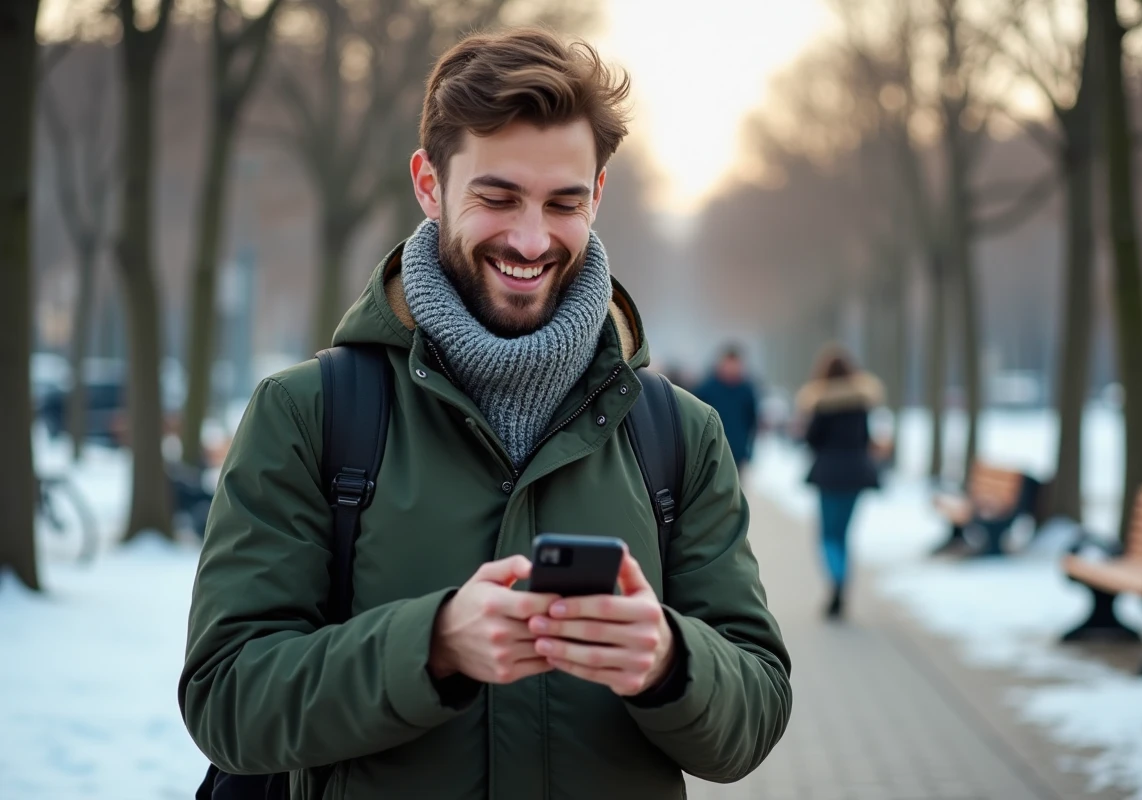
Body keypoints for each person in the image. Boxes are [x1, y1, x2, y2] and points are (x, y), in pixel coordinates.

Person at [179, 27, 791, 800]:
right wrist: (430, 647)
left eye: (563, 203)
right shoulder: (307, 415)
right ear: (429, 184)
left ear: (598, 196)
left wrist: (673, 662)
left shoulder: (682, 436)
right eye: (496, 197)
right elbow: (227, 700)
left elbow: (759, 713)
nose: (531, 240)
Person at [796, 344, 884, 620]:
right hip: (856, 474)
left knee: (827, 535)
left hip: (828, 475)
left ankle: (835, 582)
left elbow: (811, 439)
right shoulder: (861, 402)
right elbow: (866, 439)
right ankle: (842, 582)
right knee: (844, 534)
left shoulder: (821, 403)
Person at [693, 345, 759, 474]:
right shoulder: (707, 388)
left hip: (737, 451)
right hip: (712, 451)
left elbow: (751, 421)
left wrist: (749, 450)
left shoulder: (746, 390)